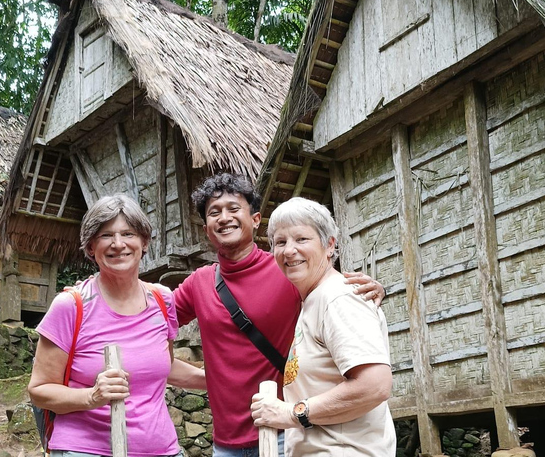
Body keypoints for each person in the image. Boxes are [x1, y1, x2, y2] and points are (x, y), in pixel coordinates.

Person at [168, 173, 385, 457]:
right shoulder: (198, 283)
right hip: (224, 444)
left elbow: (332, 294)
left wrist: (372, 288)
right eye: (214, 212)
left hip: (288, 431)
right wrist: (209, 378)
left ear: (256, 219)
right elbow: (150, 322)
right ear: (207, 228)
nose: (224, 217)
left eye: (234, 209)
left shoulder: (289, 269)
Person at [29, 194, 182, 457]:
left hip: (160, 448)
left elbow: (165, 365)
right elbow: (40, 391)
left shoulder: (162, 299)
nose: (118, 244)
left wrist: (219, 379)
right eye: (106, 235)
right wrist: (93, 396)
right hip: (85, 449)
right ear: (91, 247)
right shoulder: (71, 306)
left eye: (129, 233)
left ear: (144, 242)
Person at [250, 197, 396, 456]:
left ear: (329, 245)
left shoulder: (338, 298)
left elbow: (375, 385)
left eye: (301, 239)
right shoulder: (313, 299)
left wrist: (293, 413)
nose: (289, 250)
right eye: (281, 242)